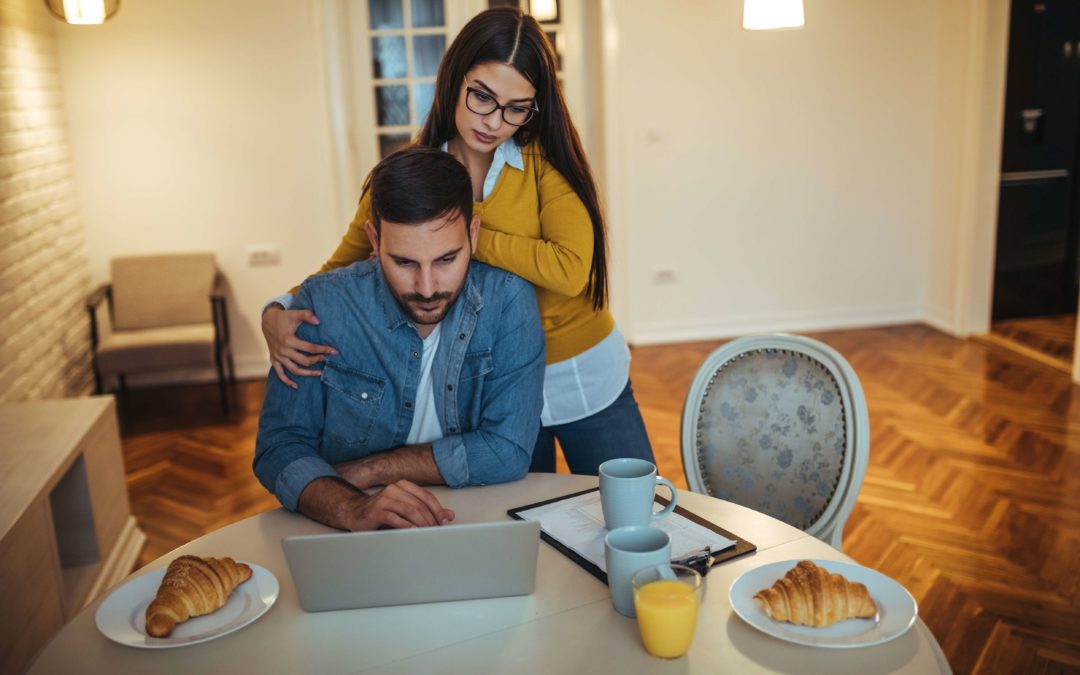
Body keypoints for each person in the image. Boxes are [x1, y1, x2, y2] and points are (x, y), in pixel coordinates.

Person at [261, 7, 654, 475]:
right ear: (454, 78)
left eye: (516, 108)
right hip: (492, 387)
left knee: (633, 509)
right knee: (528, 526)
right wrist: (277, 311)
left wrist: (464, 231)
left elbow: (570, 271)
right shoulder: (409, 177)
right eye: (482, 97)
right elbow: (342, 265)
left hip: (581, 371)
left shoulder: (546, 165)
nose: (493, 121)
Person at [253, 147, 545, 532]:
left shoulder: (508, 301)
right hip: (346, 530)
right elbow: (279, 447)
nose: (427, 288)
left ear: (473, 233)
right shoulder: (321, 305)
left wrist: (373, 468)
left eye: (446, 259)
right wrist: (351, 508)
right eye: (404, 262)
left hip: (477, 518)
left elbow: (508, 451)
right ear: (374, 240)